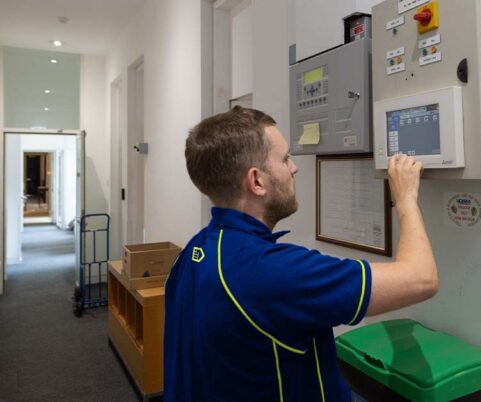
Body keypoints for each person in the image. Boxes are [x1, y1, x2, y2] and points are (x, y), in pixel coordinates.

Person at [164, 106, 438, 402]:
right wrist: (405, 197)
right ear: (257, 181)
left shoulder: (194, 250)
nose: (294, 167)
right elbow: (422, 278)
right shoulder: (270, 271)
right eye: (285, 158)